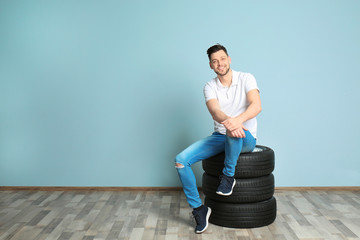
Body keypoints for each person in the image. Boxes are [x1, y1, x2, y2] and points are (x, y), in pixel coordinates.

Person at [175, 44, 262, 233]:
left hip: (245, 137)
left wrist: (236, 122)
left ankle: (228, 176)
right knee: (181, 161)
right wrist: (229, 122)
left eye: (222, 59)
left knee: (232, 130)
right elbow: (215, 111)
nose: (219, 63)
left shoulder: (247, 78)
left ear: (229, 59)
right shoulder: (209, 86)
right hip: (219, 136)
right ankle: (199, 209)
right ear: (211, 65)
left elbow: (256, 106)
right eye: (215, 61)